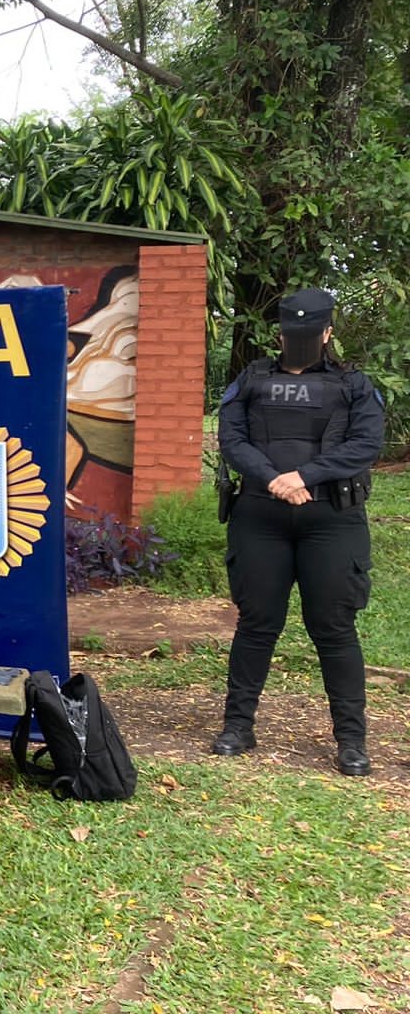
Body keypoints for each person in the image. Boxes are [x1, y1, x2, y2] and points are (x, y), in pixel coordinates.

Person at [215, 287, 385, 776]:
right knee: (257, 623)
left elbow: (365, 444)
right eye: (293, 333)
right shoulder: (252, 379)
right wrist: (274, 479)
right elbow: (232, 440)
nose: (302, 340)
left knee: (334, 628)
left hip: (331, 520)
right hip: (260, 517)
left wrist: (303, 477)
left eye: (311, 333)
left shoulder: (354, 385)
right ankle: (237, 727)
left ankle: (351, 741)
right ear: (280, 335)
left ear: (327, 333)